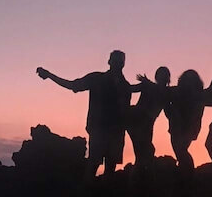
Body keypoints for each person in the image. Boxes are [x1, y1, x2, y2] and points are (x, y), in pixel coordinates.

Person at [36, 50, 131, 181]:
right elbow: (72, 85)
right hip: (100, 130)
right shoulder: (98, 79)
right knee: (94, 166)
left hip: (114, 132)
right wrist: (50, 75)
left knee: (108, 169)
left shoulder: (124, 86)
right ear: (110, 62)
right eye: (116, 61)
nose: (117, 64)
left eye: (119, 61)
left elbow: (126, 111)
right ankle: (89, 195)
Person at [164, 69, 207, 171]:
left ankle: (188, 173)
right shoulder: (178, 91)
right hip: (178, 126)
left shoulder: (197, 95)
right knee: (181, 151)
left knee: (181, 151)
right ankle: (186, 172)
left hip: (186, 127)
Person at [128, 66, 171, 168]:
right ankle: (141, 173)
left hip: (144, 122)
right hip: (137, 119)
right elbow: (131, 89)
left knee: (143, 151)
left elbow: (132, 89)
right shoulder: (151, 87)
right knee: (144, 150)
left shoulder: (165, 91)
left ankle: (140, 173)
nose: (161, 78)